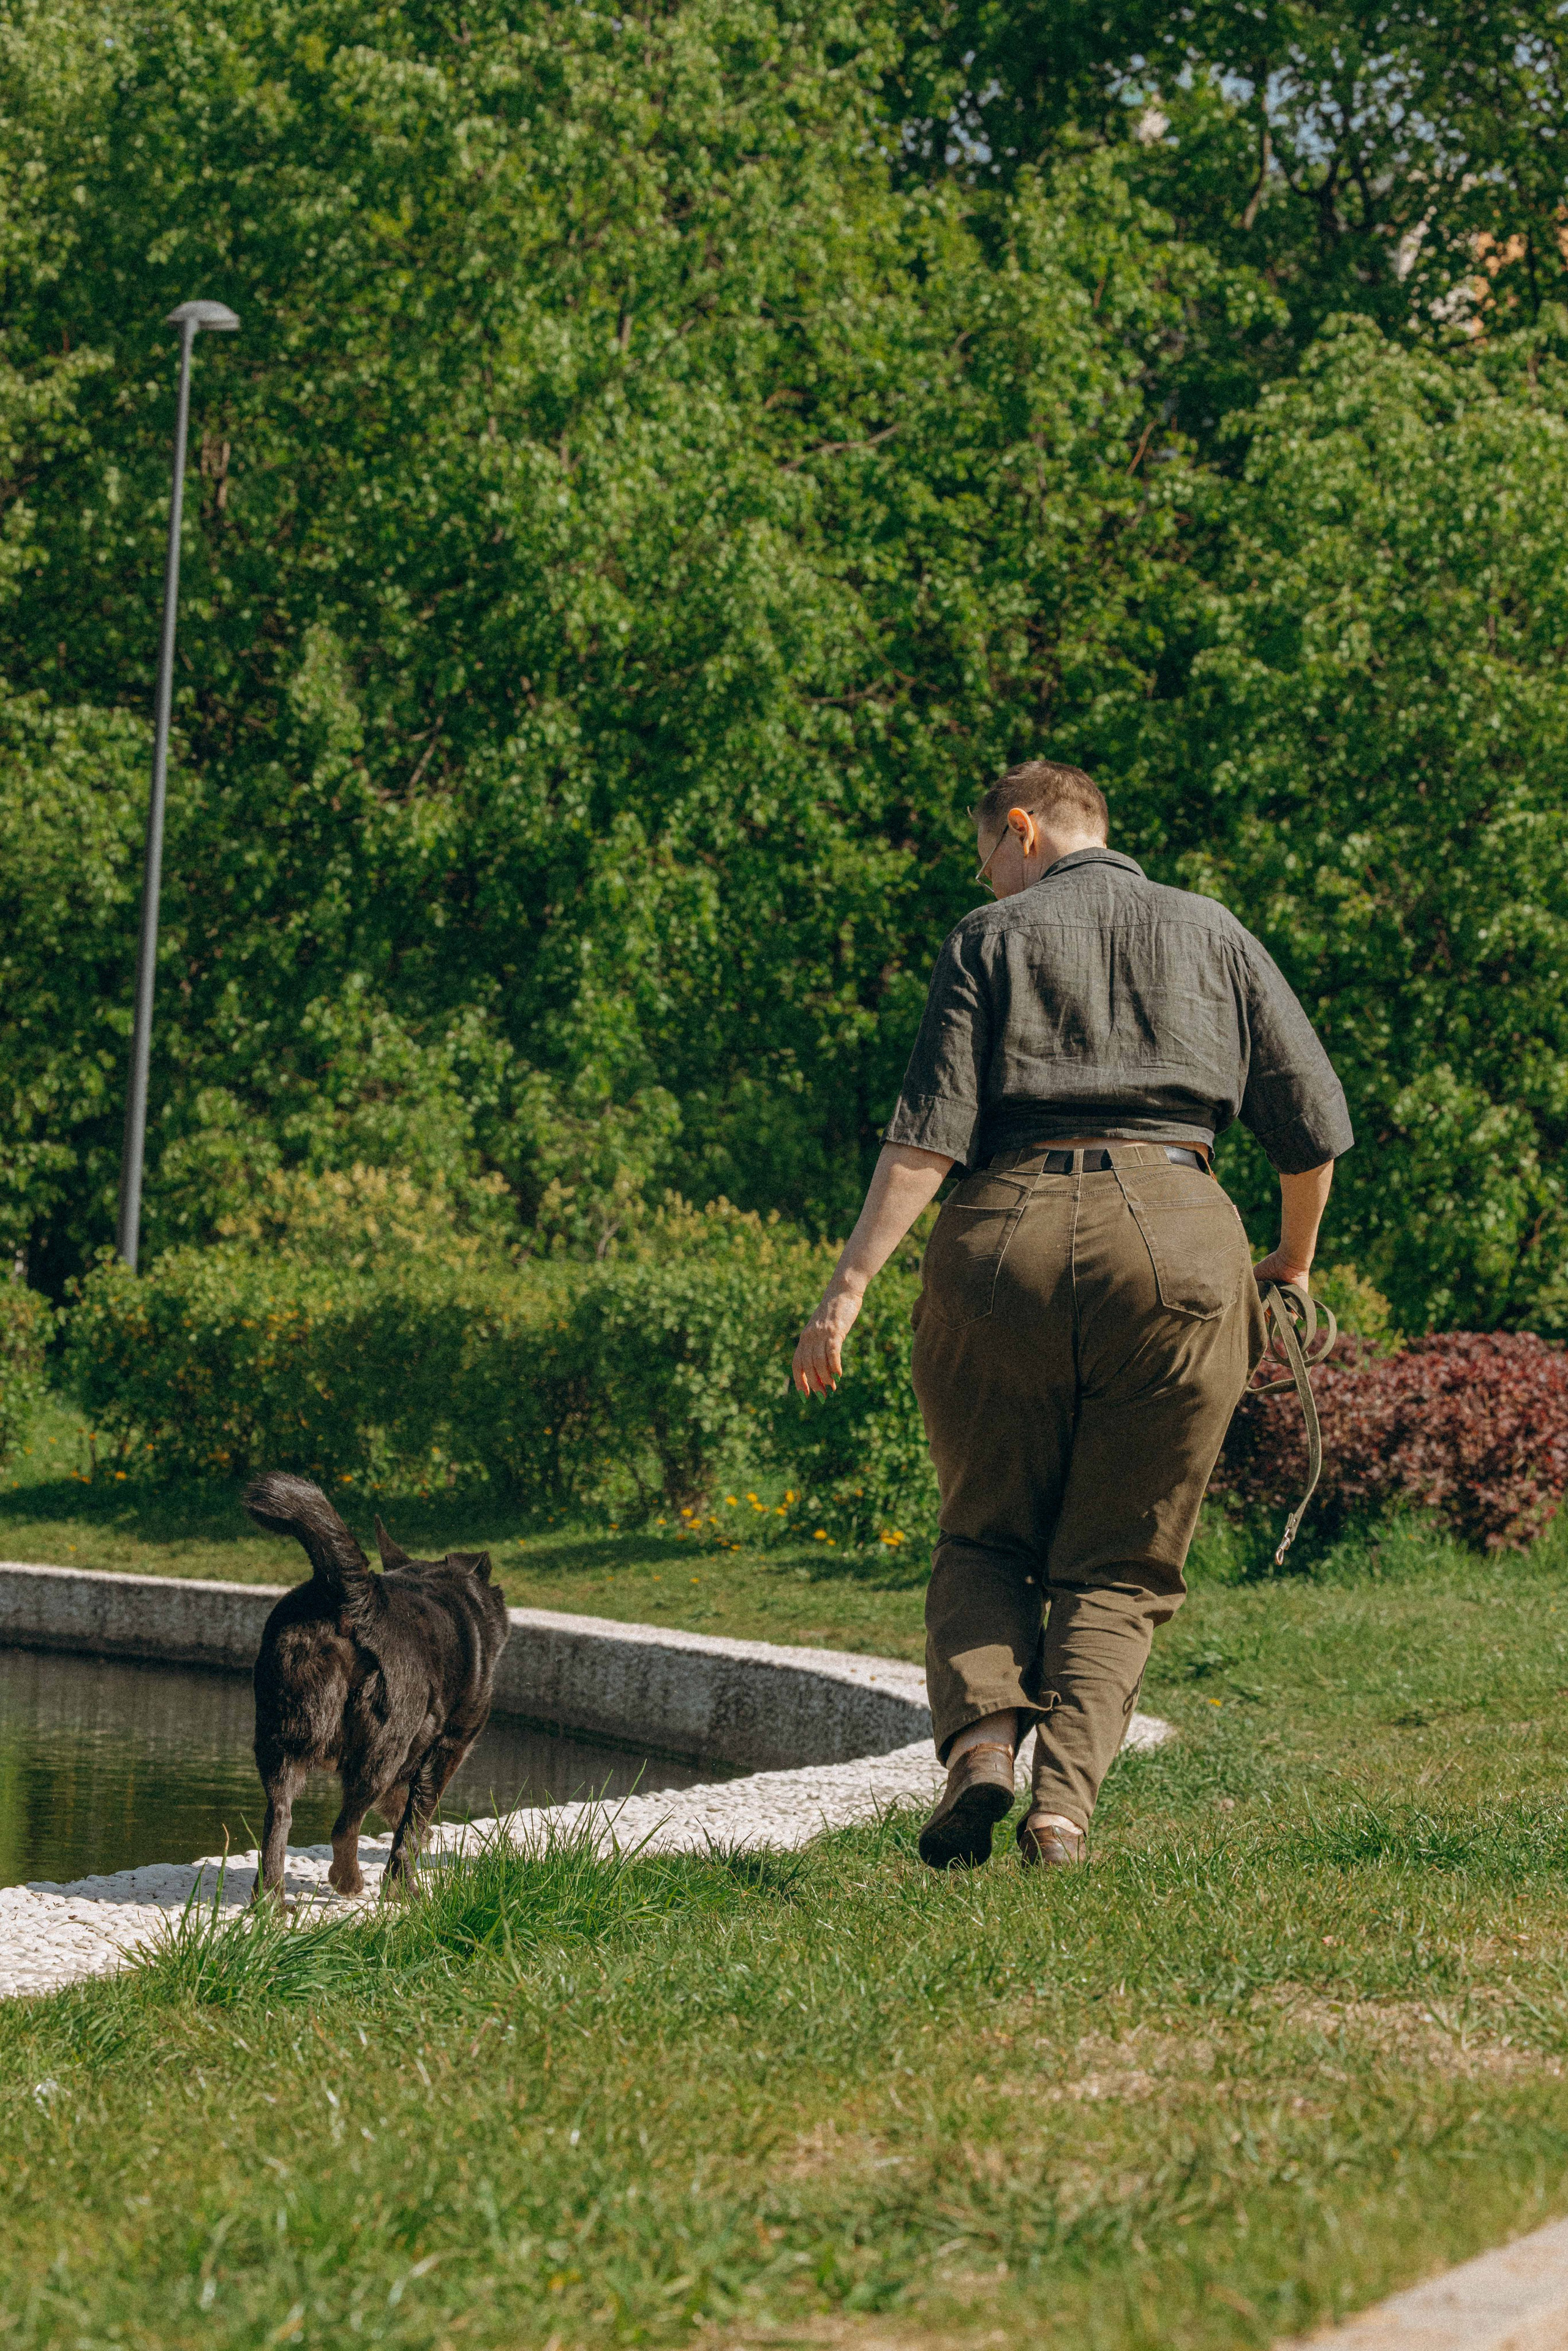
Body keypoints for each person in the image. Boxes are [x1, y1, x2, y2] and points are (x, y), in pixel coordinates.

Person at [791, 758, 1352, 1871]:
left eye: (988, 858)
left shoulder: (989, 939)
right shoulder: (1212, 928)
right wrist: (1286, 1262)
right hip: (1182, 1230)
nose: (991, 880)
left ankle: (983, 1754)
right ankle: (1062, 1816)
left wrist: (844, 1292)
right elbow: (1313, 1125)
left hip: (1004, 1233)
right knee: (1121, 1558)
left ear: (1021, 830)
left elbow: (928, 1137)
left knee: (986, 1526)